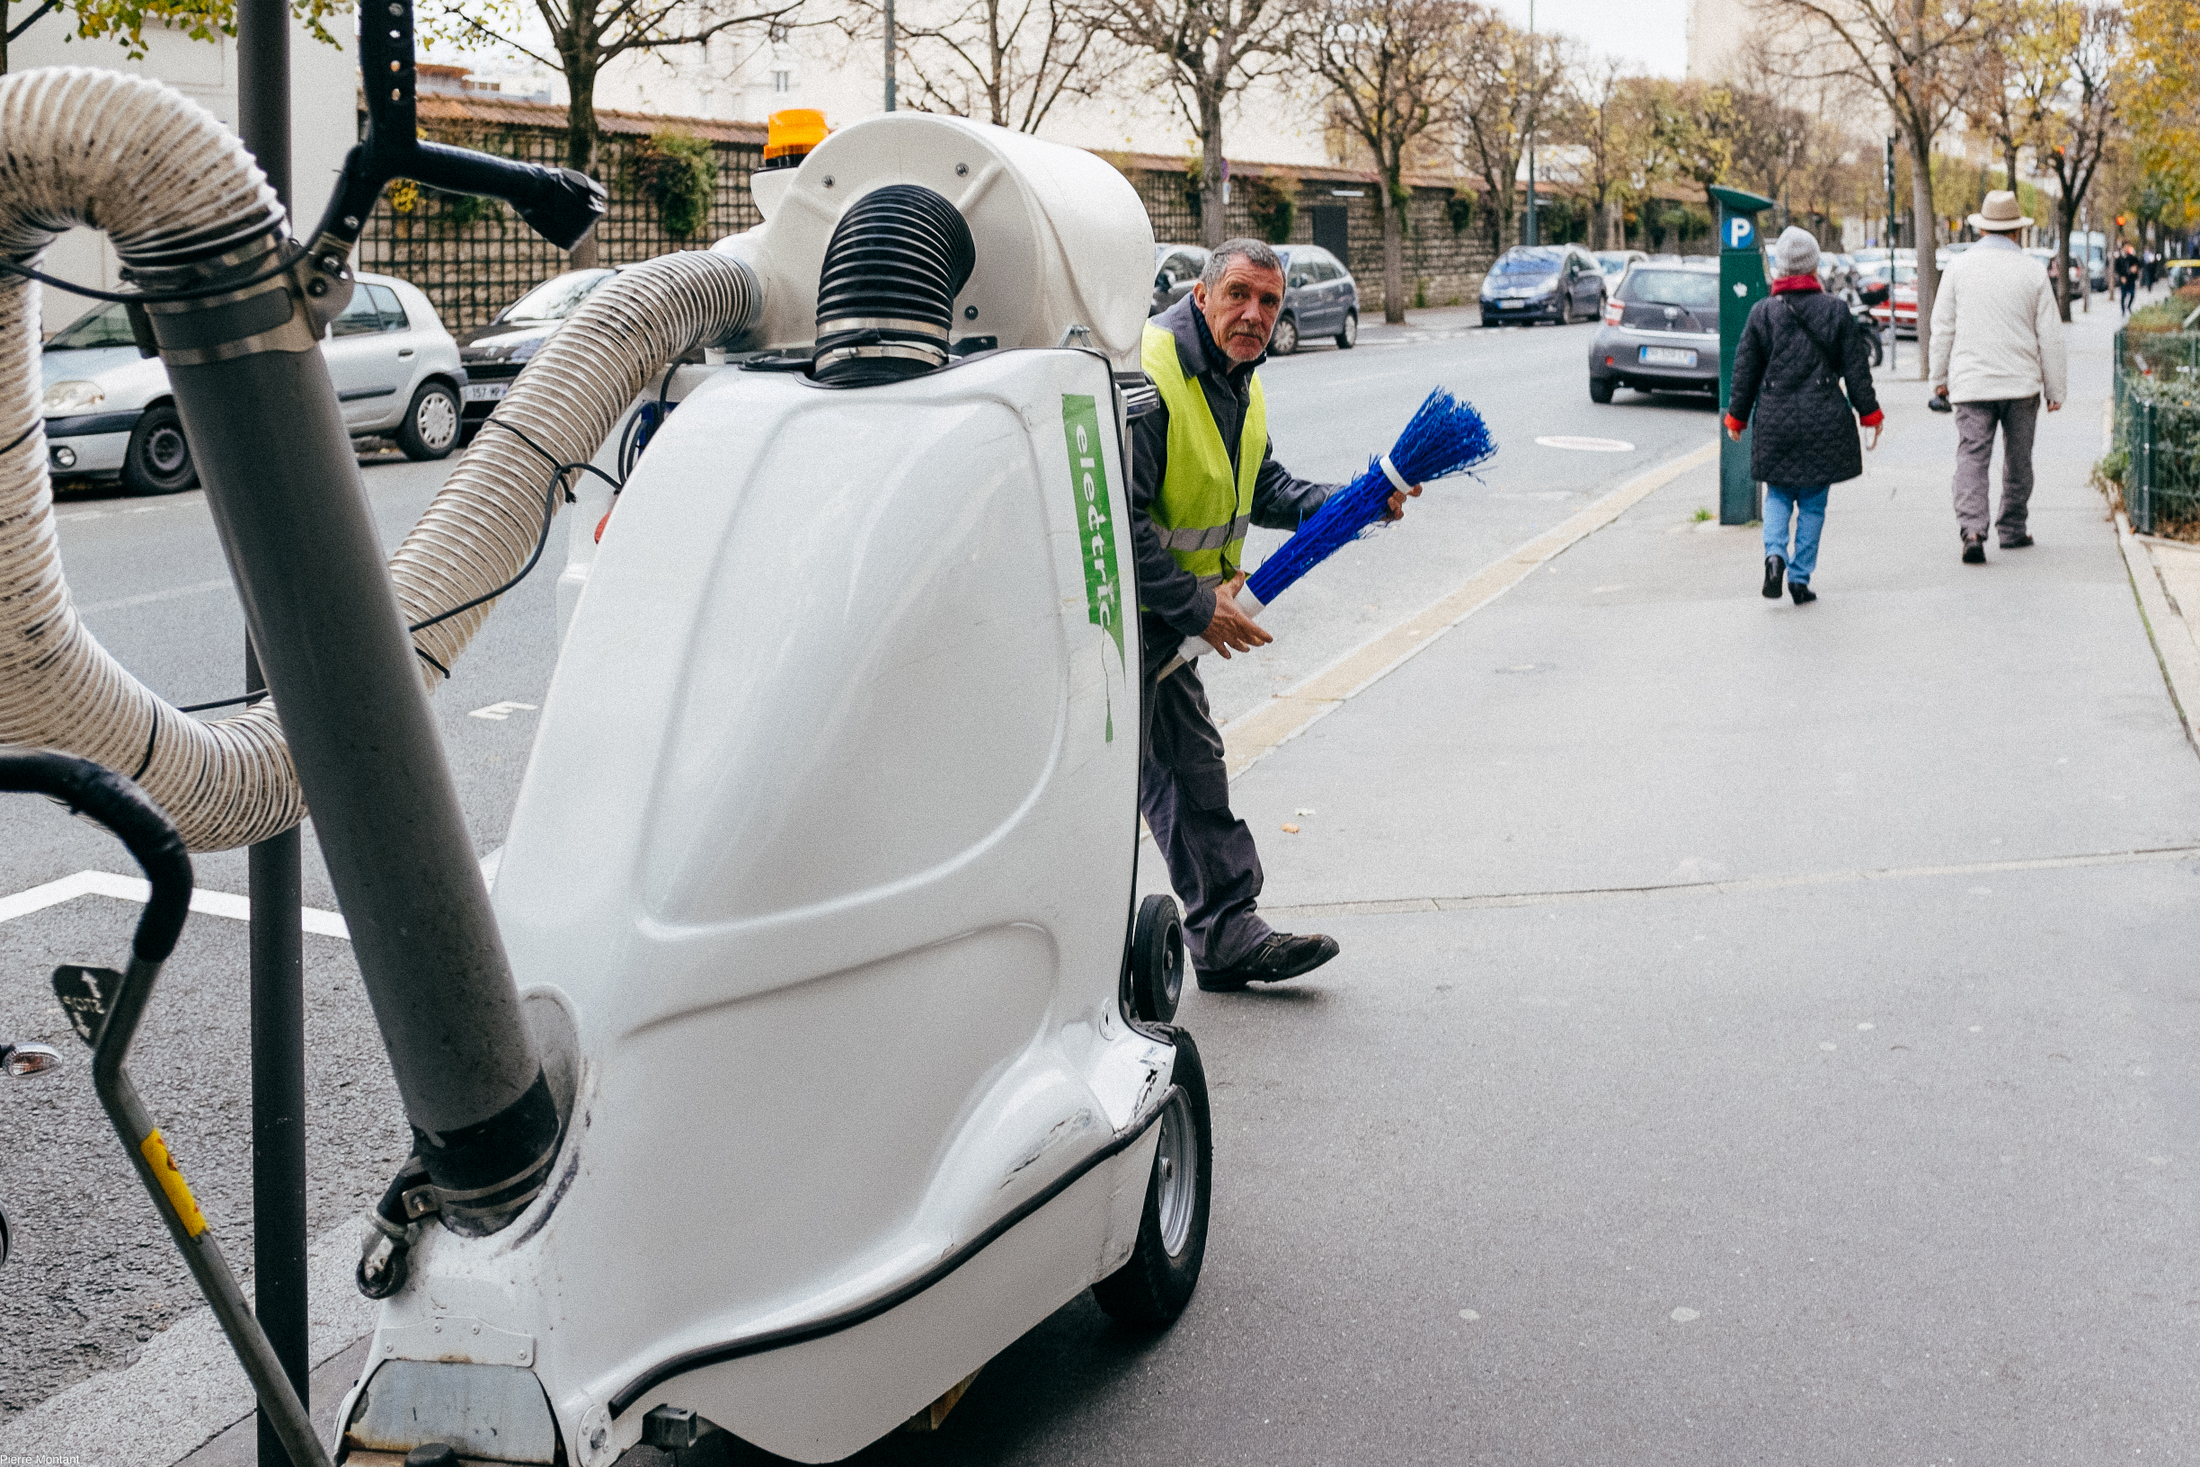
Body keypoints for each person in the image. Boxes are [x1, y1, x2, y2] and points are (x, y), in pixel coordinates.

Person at [1130, 238, 1419, 992]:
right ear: (1202, 295)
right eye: (1239, 296)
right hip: (1115, 623)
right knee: (1092, 791)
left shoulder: (1240, 379)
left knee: (1192, 772)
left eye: (1269, 302)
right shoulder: (1152, 374)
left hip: (1168, 621)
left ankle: (1226, 934)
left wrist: (1360, 505)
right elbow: (1116, 524)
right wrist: (1203, 609)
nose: (1255, 314)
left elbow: (1266, 488)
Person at [1723, 226, 1883, 605]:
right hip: (1823, 419)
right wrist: (1870, 414)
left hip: (1775, 420)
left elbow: (1744, 370)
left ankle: (1774, 556)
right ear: (1814, 265)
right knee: (1812, 503)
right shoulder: (1835, 311)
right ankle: (1799, 577)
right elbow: (1856, 370)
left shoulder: (1762, 312)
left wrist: (1736, 418)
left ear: (1779, 268)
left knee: (1777, 494)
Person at [1928, 191, 2068, 562]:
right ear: (2017, 232)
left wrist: (1938, 378)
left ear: (1982, 228)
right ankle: (2012, 528)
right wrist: (2055, 389)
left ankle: (1973, 531)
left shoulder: (1958, 268)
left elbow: (1942, 328)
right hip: (2021, 385)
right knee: (2018, 459)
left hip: (1971, 384)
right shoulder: (2033, 271)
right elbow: (2050, 336)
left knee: (1972, 456)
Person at [2116, 244, 2141, 314]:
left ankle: (2129, 306)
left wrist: (2135, 268)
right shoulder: (2120, 258)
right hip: (2123, 279)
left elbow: (2138, 264)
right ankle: (2123, 309)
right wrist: (2121, 277)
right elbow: (2117, 268)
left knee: (2132, 294)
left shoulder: (2132, 257)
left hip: (2131, 279)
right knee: (2123, 295)